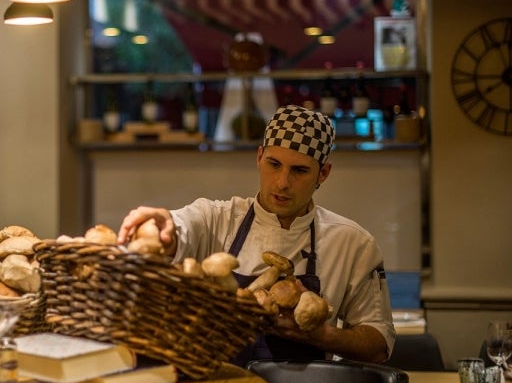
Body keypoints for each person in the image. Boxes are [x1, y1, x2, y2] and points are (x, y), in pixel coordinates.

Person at [116, 104, 394, 365]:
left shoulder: (352, 243)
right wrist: (160, 225)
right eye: (274, 164)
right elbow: (176, 228)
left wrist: (322, 335)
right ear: (259, 157)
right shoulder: (217, 219)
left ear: (323, 173)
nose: (282, 183)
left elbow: (379, 345)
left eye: (299, 170)